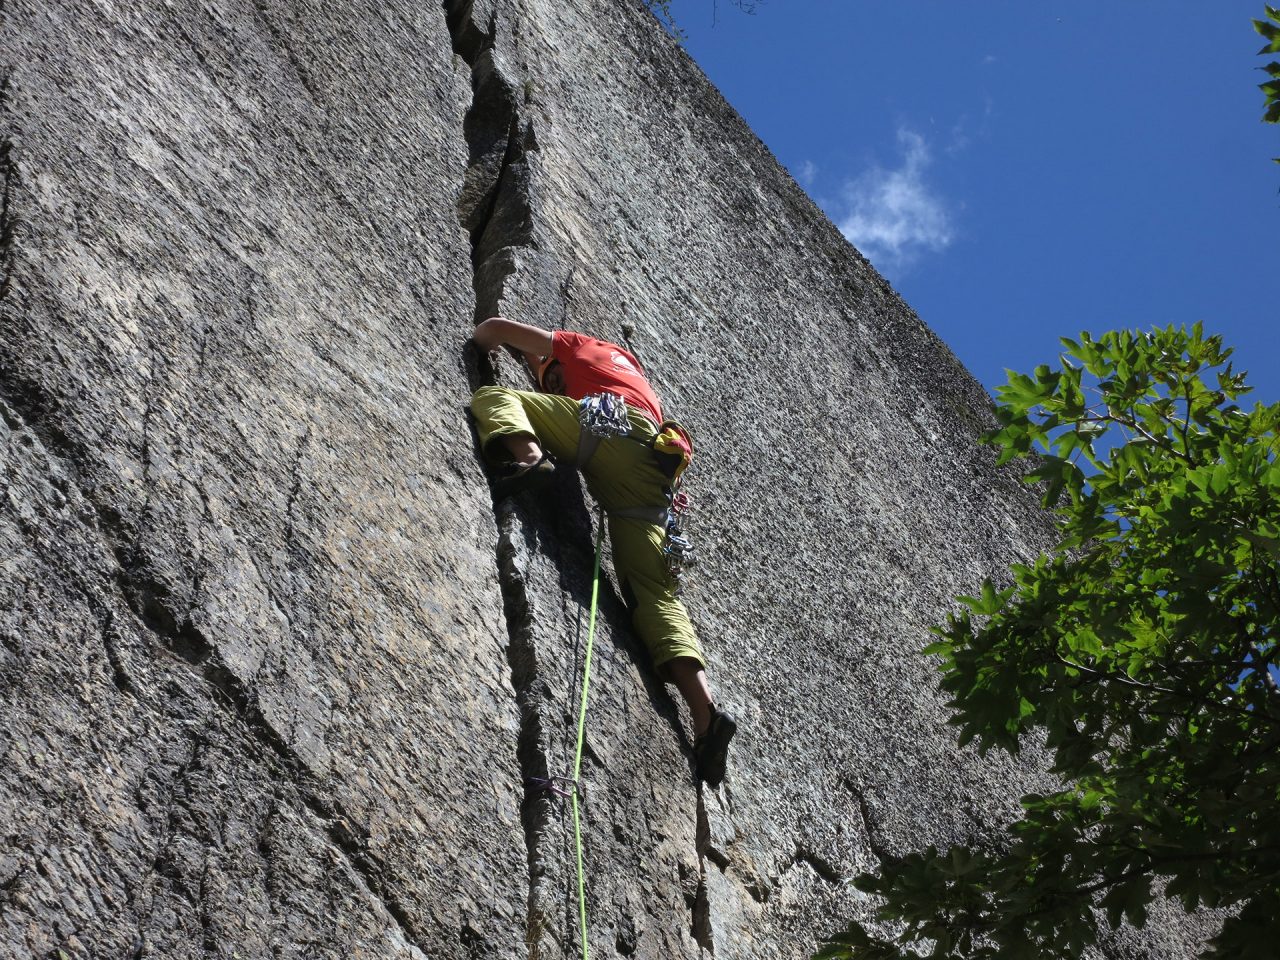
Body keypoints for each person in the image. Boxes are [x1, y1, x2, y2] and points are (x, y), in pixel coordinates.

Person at [470, 316, 736, 786]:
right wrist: (542, 368)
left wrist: (487, 346)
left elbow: (493, 328)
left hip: (607, 431)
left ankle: (530, 459)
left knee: (496, 399)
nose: (555, 389)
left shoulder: (577, 345)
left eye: (555, 381)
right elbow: (547, 366)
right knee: (656, 595)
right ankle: (705, 714)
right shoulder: (629, 373)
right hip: (653, 475)